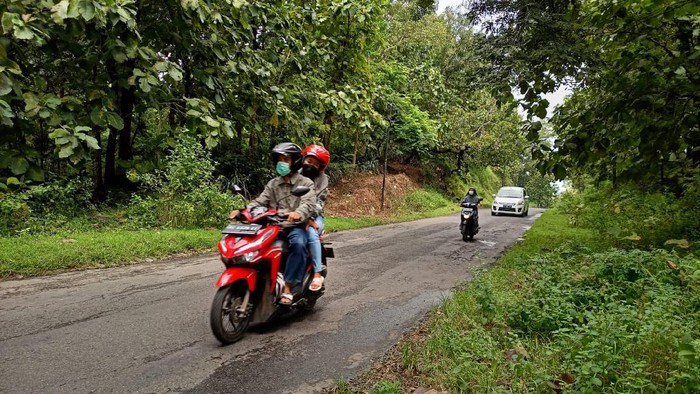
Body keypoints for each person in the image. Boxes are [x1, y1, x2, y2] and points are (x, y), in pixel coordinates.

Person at [228, 143, 316, 305]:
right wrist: (242, 212)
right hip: (271, 227)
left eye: (286, 159)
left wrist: (298, 213)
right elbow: (260, 201)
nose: (281, 163)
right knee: (249, 245)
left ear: (295, 161)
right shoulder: (273, 184)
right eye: (279, 160)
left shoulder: (306, 183)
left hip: (292, 228)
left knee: (298, 243)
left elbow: (308, 203)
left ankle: (288, 287)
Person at [300, 144, 330, 292]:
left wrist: (308, 219)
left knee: (311, 233)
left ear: (321, 167)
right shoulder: (295, 173)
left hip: (314, 217)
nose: (311, 165)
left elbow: (319, 204)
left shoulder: (323, 180)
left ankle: (317, 274)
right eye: (309, 161)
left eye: (316, 164)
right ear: (304, 159)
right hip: (291, 215)